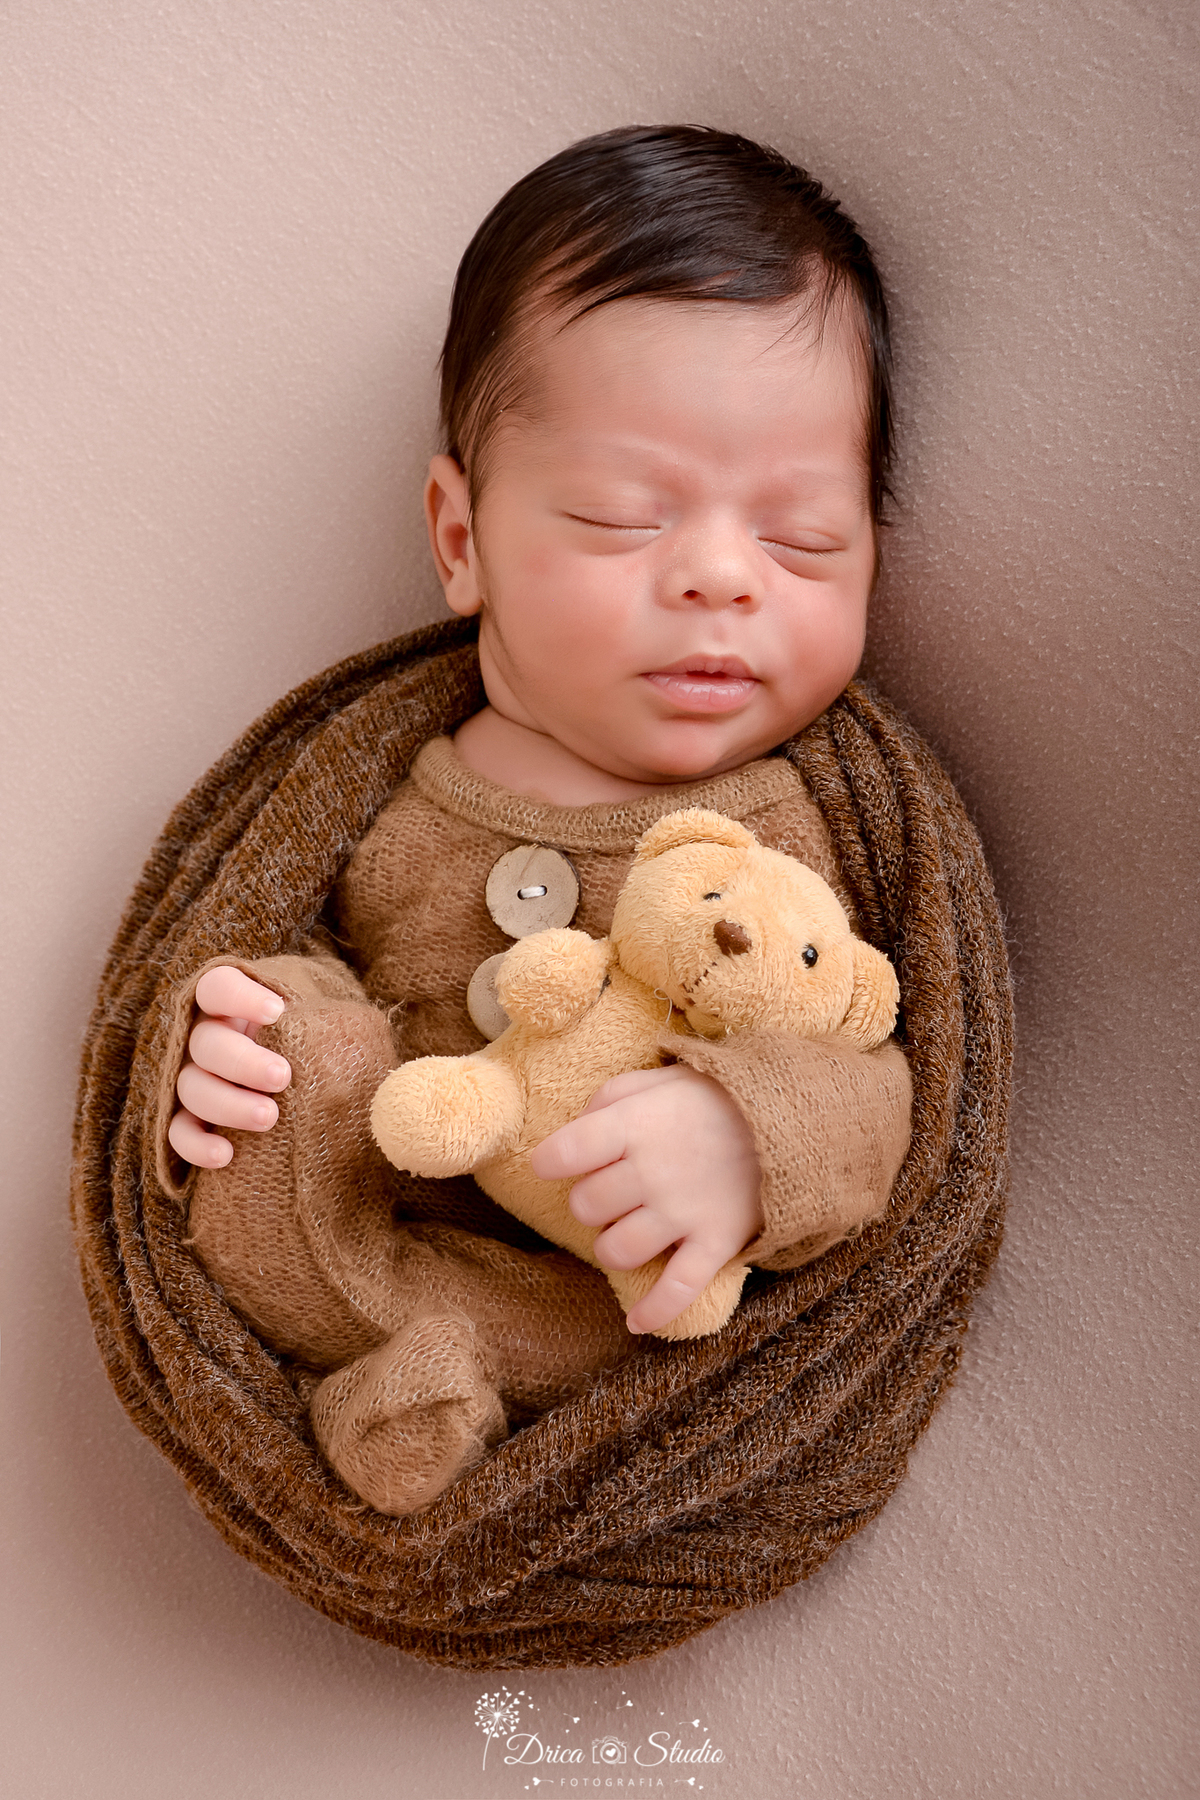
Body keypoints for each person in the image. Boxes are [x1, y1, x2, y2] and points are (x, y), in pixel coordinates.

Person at [161, 127, 912, 1508]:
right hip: (382, 1220)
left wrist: (754, 1141)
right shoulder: (383, 782)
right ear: (461, 541)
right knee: (277, 1030)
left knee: (601, 1328)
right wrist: (223, 1054)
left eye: (804, 536)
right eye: (627, 518)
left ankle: (419, 1398)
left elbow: (883, 1072)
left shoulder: (797, 830)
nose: (719, 579)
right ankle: (394, 1368)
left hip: (618, 1312)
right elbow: (261, 925)